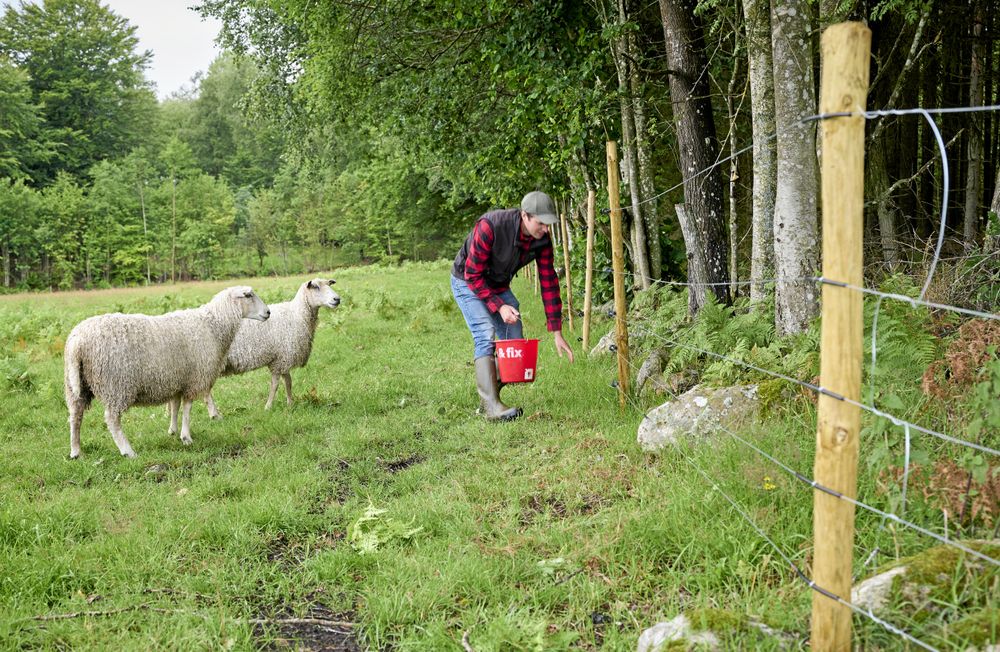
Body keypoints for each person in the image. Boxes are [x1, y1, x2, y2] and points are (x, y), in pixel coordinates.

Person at [451, 190, 575, 421]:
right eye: (541, 223)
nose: (546, 229)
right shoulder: (491, 225)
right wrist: (499, 307)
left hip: (497, 285)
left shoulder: (542, 240)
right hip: (467, 281)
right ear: (525, 216)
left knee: (514, 341)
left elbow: (549, 282)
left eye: (549, 224)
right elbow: (472, 274)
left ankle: (490, 396)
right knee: (485, 334)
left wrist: (557, 332)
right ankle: (492, 408)